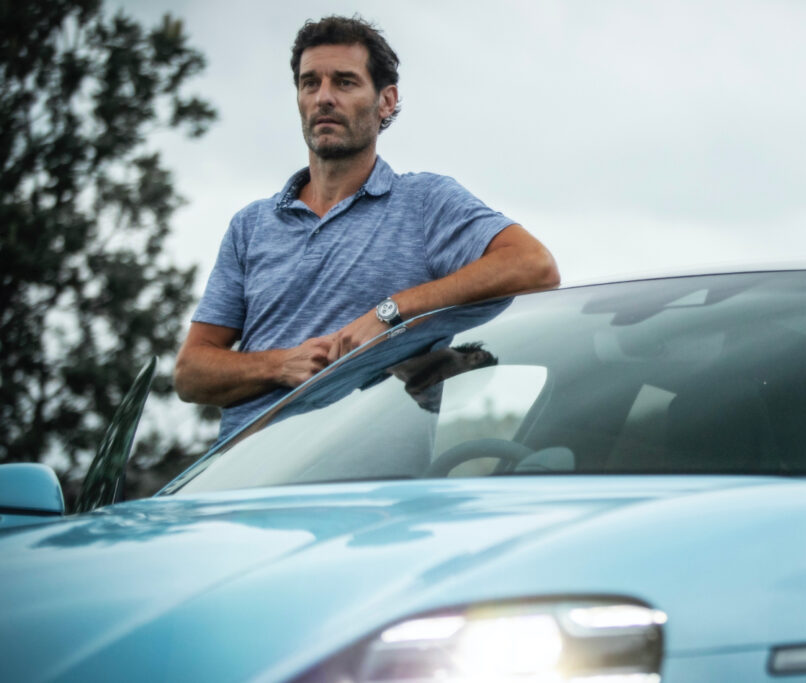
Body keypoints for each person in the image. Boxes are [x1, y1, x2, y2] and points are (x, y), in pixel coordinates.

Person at [173, 15, 559, 440]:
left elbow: (534, 265)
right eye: (310, 83)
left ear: (386, 101)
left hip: (368, 475)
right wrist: (280, 365)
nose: (323, 97)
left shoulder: (424, 202)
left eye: (344, 82)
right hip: (240, 471)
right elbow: (190, 374)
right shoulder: (251, 226)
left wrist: (390, 312)